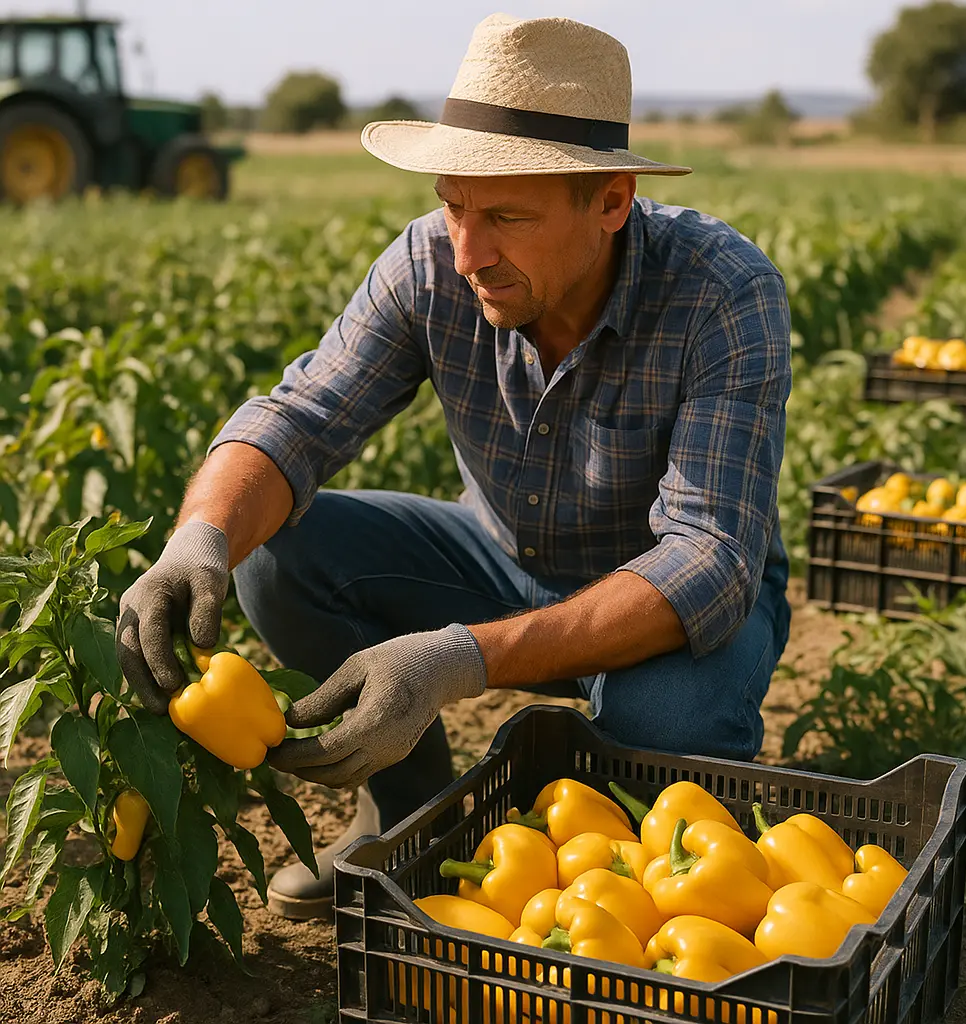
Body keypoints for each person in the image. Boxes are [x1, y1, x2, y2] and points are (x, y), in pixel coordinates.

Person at [114, 13, 792, 921]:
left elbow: (708, 561)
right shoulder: (430, 265)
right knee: (277, 554)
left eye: (507, 216)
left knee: (667, 724)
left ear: (613, 201)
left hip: (666, 604)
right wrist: (197, 540)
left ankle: (616, 881)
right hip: (500, 556)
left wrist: (459, 657)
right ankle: (407, 808)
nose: (469, 251)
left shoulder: (723, 292)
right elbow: (301, 419)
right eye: (455, 205)